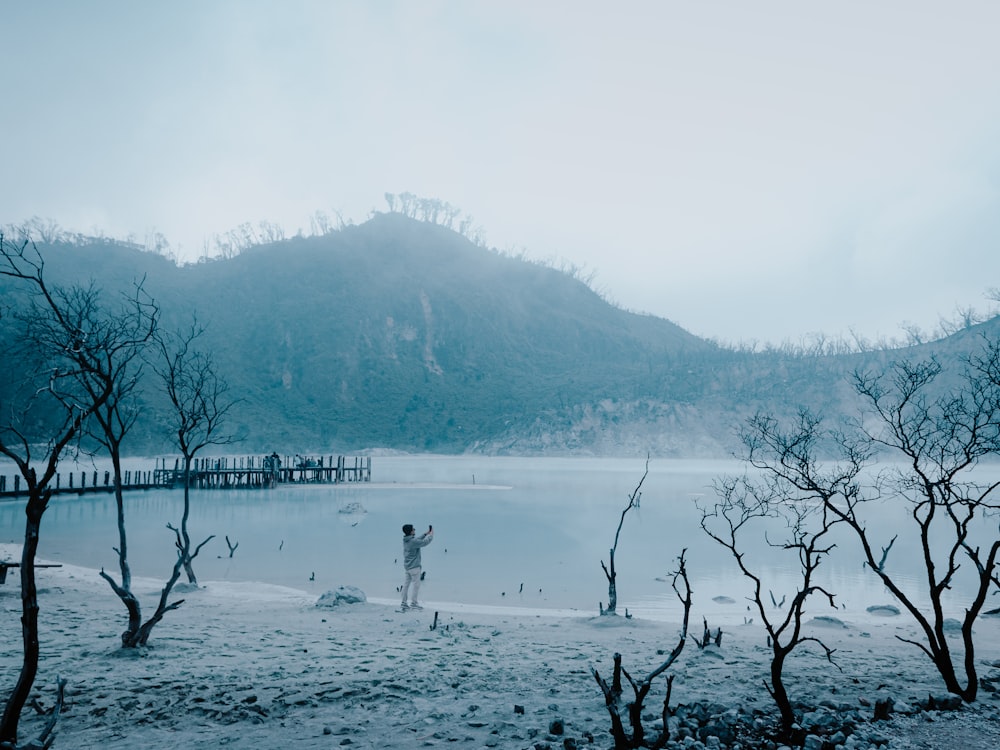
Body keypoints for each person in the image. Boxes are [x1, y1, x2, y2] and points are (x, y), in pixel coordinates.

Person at [400, 523, 433, 610]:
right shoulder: (413, 542)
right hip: (414, 567)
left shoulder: (406, 540)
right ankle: (414, 603)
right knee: (416, 586)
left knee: (406, 585)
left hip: (407, 567)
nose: (414, 530)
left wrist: (425, 534)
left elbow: (416, 539)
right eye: (413, 529)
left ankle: (403, 603)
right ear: (411, 531)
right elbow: (425, 542)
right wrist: (431, 535)